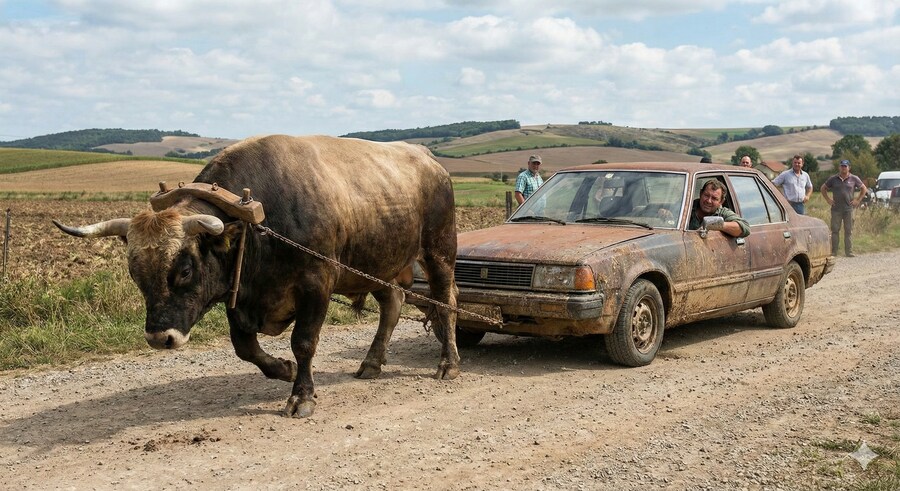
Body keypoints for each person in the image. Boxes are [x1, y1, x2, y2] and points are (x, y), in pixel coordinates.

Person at [820, 159, 867, 257]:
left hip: (848, 209)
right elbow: (823, 188)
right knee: (835, 230)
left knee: (848, 230)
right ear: (839, 167)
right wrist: (828, 199)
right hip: (836, 209)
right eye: (842, 166)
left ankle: (849, 252)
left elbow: (864, 189)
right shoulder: (833, 179)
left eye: (845, 166)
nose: (843, 168)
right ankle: (834, 252)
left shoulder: (854, 178)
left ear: (849, 167)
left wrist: (857, 200)